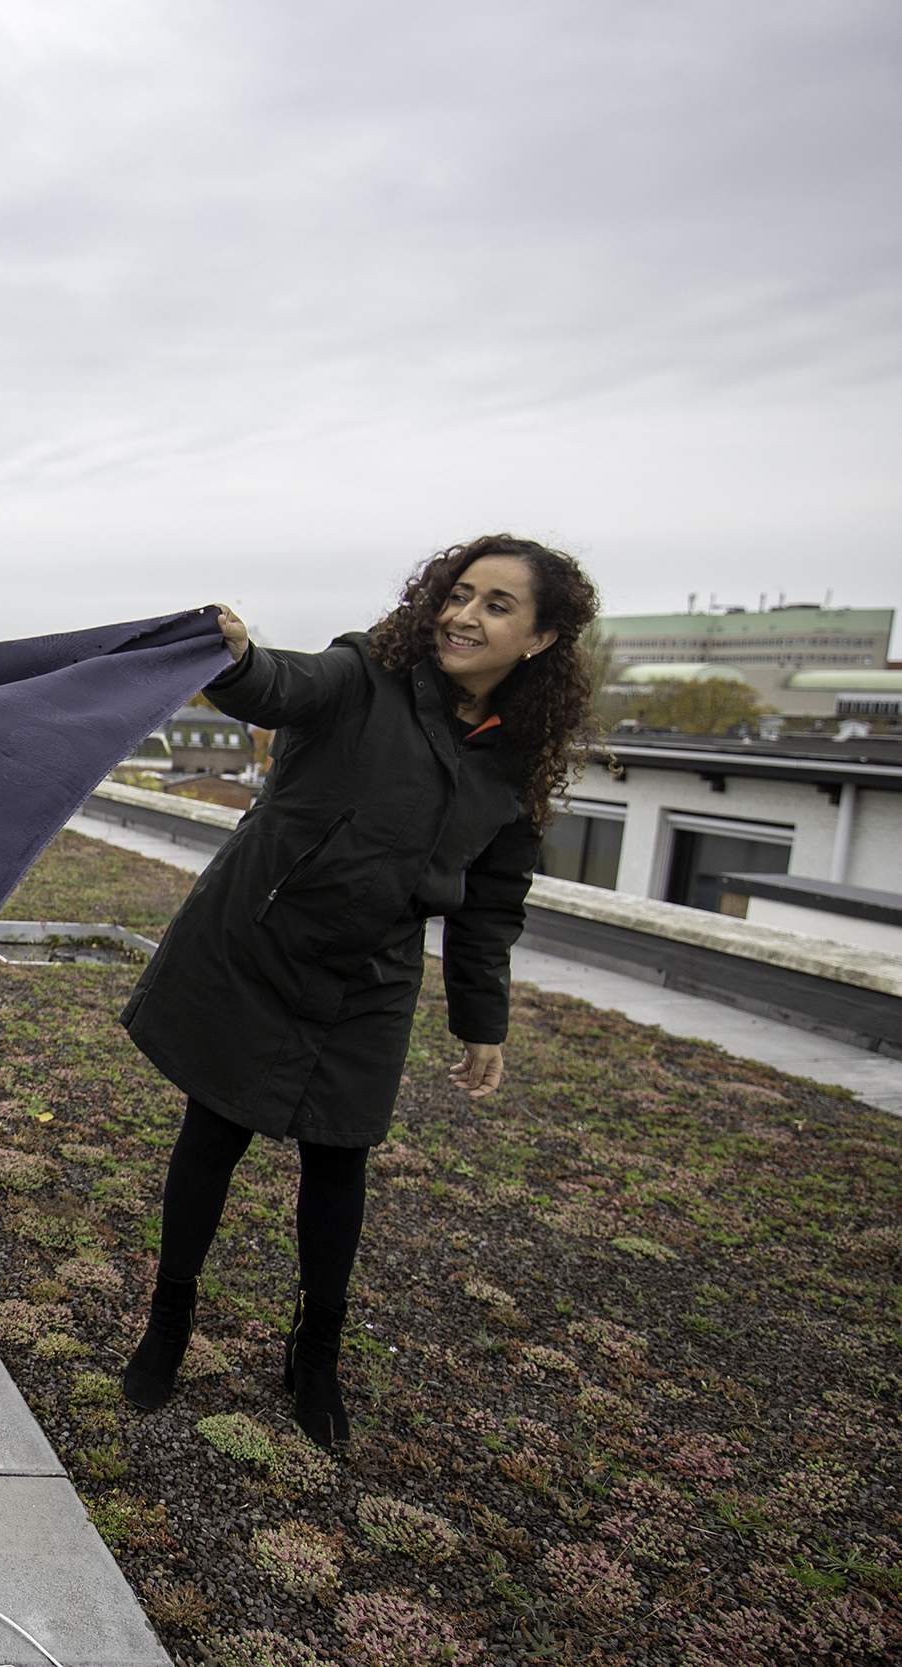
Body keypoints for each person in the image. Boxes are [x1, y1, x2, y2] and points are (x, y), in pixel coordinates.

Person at [114, 535, 601, 1449]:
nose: (465, 615)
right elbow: (279, 687)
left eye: (497, 605)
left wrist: (482, 1022)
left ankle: (317, 1353)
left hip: (371, 975)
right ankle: (168, 1321)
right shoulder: (366, 673)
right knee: (214, 1132)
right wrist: (238, 656)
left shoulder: (516, 759)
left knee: (341, 1156)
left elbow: (492, 902)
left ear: (541, 639)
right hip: (262, 939)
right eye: (461, 593)